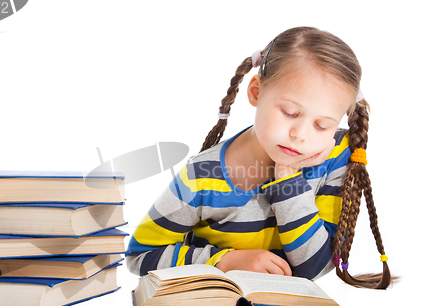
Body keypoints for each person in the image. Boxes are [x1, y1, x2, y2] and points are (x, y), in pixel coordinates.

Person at [126, 26, 392, 289]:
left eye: (322, 125)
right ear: (256, 92)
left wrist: (288, 178)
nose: (300, 135)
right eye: (290, 112)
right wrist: (224, 262)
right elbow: (139, 256)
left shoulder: (335, 155)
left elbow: (313, 267)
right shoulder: (201, 175)